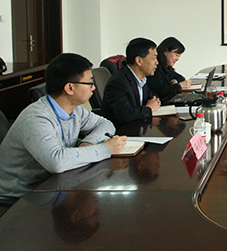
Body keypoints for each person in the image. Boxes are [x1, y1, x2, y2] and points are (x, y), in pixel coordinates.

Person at [0, 53, 127, 207]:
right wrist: (106, 149)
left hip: (50, 186)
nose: (93, 87)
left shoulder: (75, 110)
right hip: (19, 199)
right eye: (90, 83)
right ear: (70, 88)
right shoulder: (36, 118)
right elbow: (57, 162)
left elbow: (105, 124)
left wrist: (88, 143)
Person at [102, 38, 161, 129]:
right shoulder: (118, 82)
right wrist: (149, 108)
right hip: (121, 133)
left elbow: (151, 96)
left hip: (137, 128)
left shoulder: (142, 79)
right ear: (139, 61)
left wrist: (154, 100)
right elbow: (125, 115)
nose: (157, 62)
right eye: (153, 58)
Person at [147, 37, 191, 101]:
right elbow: (160, 91)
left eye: (179, 56)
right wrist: (179, 86)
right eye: (176, 55)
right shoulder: (155, 68)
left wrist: (174, 81)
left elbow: (181, 78)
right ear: (166, 52)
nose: (177, 59)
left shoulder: (167, 67)